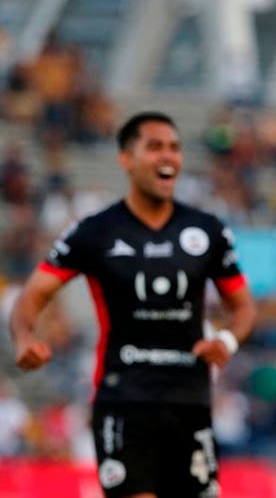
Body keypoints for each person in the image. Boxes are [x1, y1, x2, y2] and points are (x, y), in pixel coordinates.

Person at [9, 111, 257, 498]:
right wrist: (25, 336)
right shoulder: (95, 231)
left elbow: (243, 308)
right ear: (126, 159)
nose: (168, 156)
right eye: (154, 147)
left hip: (189, 401)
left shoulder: (208, 231)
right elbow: (34, 294)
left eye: (174, 147)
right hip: (124, 400)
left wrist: (226, 341)